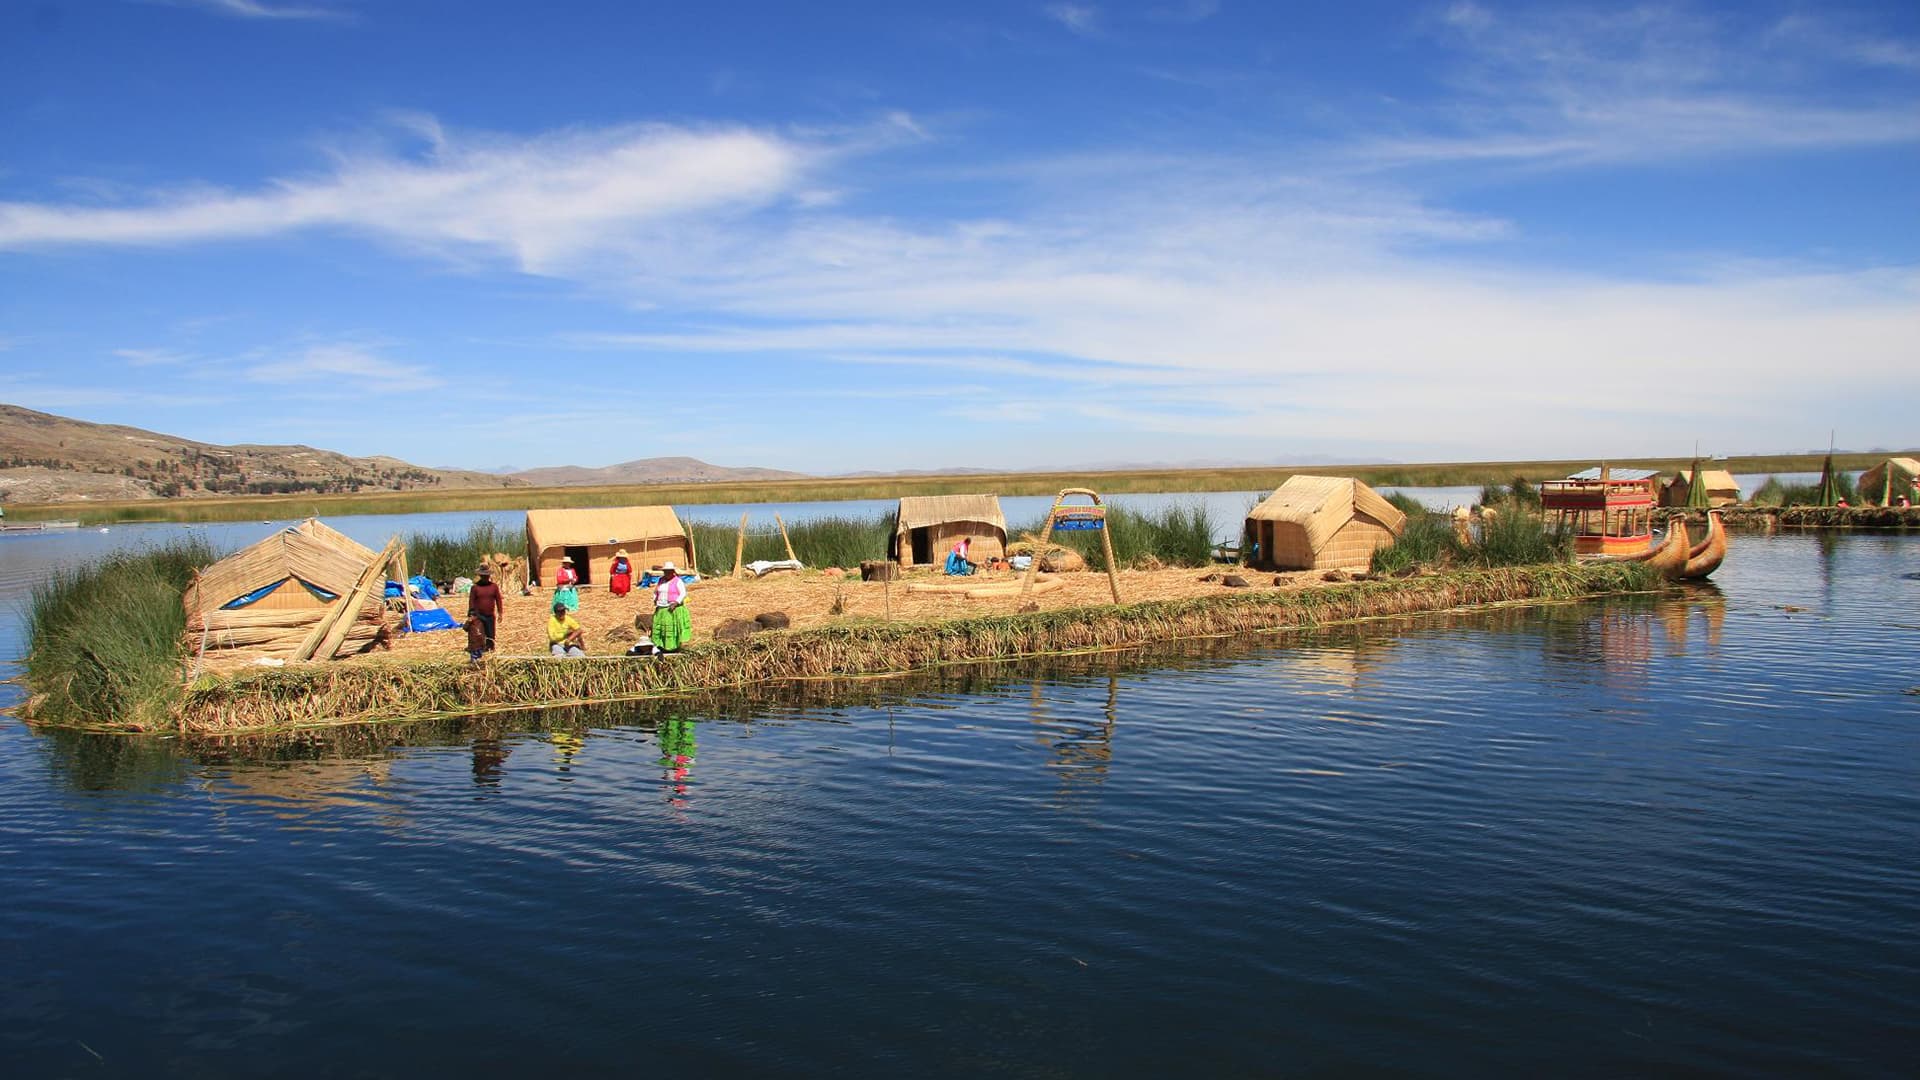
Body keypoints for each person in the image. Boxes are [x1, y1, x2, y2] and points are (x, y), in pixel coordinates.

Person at [649, 561, 691, 654]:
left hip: (672, 608)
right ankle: (662, 647)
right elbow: (656, 591)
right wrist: (655, 599)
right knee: (662, 629)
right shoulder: (661, 580)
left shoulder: (678, 581)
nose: (666, 573)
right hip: (661, 608)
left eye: (668, 571)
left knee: (671, 629)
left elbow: (683, 593)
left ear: (673, 571)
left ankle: (673, 648)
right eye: (665, 571)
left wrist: (676, 603)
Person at [467, 566, 504, 652]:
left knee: (490, 634)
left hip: (490, 615)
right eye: (483, 576)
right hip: (478, 615)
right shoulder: (475, 587)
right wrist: (471, 614)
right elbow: (471, 601)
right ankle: (479, 649)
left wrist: (500, 613)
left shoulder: (494, 587)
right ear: (480, 576)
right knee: (478, 633)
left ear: (489, 576)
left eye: (487, 576)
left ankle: (490, 649)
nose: (485, 577)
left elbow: (498, 599)